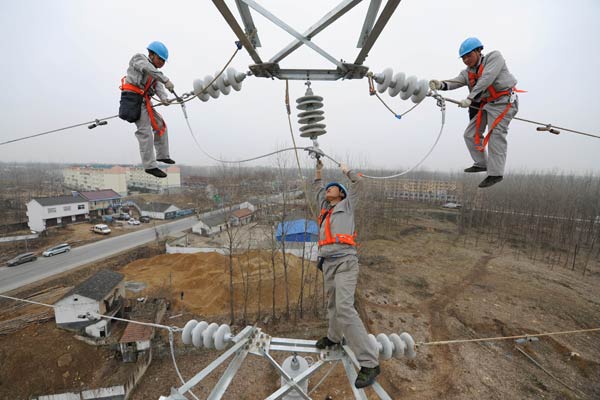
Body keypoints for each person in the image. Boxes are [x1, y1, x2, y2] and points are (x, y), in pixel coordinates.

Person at [313, 159, 380, 389]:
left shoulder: (347, 206)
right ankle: (333, 337)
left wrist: (347, 171)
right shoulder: (325, 212)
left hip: (345, 262)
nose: (328, 190)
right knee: (332, 304)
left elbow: (359, 185)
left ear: (341, 195)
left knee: (344, 307)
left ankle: (370, 362)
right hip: (328, 264)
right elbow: (316, 190)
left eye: (333, 188)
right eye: (328, 188)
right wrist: (318, 171)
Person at [429, 37, 520, 188]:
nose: (466, 60)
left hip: (504, 101)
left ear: (479, 51)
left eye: (468, 55)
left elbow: (487, 79)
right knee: (470, 134)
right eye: (463, 57)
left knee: (496, 133)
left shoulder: (494, 58)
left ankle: (495, 173)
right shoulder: (467, 73)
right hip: (487, 104)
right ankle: (481, 163)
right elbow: (455, 82)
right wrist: (441, 84)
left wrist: (470, 98)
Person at [119, 41, 176, 178]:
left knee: (161, 125)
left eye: (163, 61)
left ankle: (162, 155)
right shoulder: (139, 59)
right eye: (159, 59)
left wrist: (164, 98)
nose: (161, 63)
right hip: (134, 99)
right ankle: (150, 166)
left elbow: (158, 87)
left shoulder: (155, 74)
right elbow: (147, 69)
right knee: (145, 132)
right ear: (151, 54)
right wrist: (166, 79)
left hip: (144, 101)